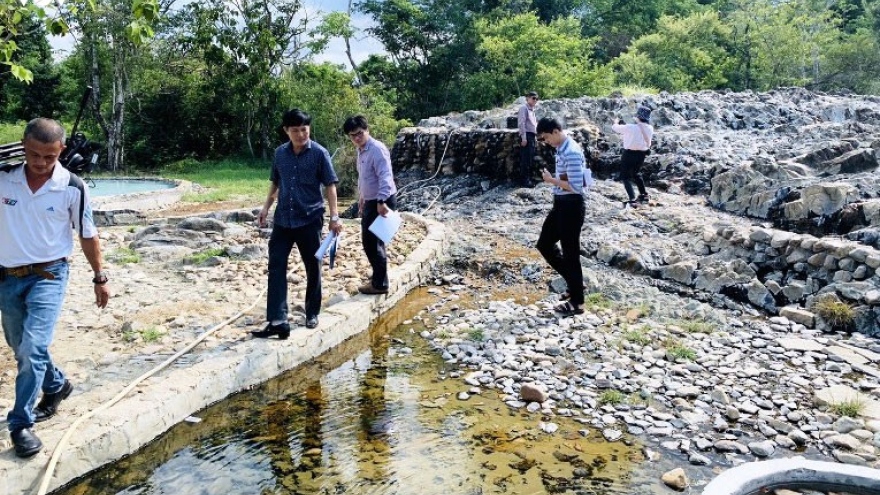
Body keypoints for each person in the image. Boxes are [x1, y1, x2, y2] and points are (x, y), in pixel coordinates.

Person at [0, 118, 110, 458]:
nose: (41, 162)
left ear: (61, 150)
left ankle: (21, 423)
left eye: (50, 156)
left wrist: (100, 277)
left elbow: (87, 234)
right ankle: (56, 385)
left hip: (49, 275)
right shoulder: (4, 178)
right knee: (20, 345)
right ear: (23, 146)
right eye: (34, 154)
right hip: (7, 276)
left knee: (33, 346)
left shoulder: (72, 186)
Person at [255, 109, 342, 338]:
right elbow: (275, 183)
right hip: (283, 219)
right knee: (276, 266)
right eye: (296, 130)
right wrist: (266, 207)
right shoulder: (280, 154)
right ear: (286, 131)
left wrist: (334, 216)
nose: (301, 134)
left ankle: (312, 312)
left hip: (310, 218)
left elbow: (330, 185)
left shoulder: (320, 153)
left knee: (312, 266)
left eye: (304, 129)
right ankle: (278, 320)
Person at [535, 117, 587, 317]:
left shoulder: (571, 152)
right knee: (544, 243)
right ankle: (575, 284)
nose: (546, 142)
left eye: (546, 138)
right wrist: (555, 180)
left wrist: (551, 180)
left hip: (571, 206)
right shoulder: (561, 148)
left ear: (556, 131)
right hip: (561, 204)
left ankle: (577, 303)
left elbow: (576, 186)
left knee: (570, 252)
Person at [343, 115, 398, 295]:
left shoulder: (377, 149)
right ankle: (379, 279)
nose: (357, 138)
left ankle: (380, 284)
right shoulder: (361, 150)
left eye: (359, 133)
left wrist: (381, 202)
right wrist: (362, 198)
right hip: (371, 200)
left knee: (372, 243)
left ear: (367, 130)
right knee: (372, 242)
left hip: (381, 200)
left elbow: (385, 177)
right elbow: (364, 178)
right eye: (353, 135)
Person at [611, 105, 654, 207]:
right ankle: (644, 194)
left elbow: (615, 128)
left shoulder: (631, 127)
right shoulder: (650, 128)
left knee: (625, 177)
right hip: (641, 154)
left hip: (629, 154)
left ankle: (632, 199)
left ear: (638, 116)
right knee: (636, 173)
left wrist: (615, 122)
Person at [516, 91, 539, 187]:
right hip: (527, 136)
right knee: (526, 159)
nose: (535, 100)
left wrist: (536, 137)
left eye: (537, 99)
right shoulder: (524, 108)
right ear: (527, 98)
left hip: (532, 136)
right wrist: (524, 138)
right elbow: (521, 123)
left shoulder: (532, 110)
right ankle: (524, 181)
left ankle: (528, 179)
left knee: (530, 159)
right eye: (533, 98)